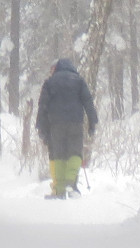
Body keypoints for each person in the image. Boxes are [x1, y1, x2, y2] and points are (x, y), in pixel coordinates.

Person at [35, 57, 99, 198]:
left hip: (56, 124)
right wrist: (92, 122)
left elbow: (43, 105)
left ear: (57, 68)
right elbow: (88, 102)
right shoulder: (79, 81)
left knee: (59, 156)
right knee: (75, 154)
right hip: (75, 123)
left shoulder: (50, 82)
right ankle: (71, 184)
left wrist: (40, 126)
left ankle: (59, 190)